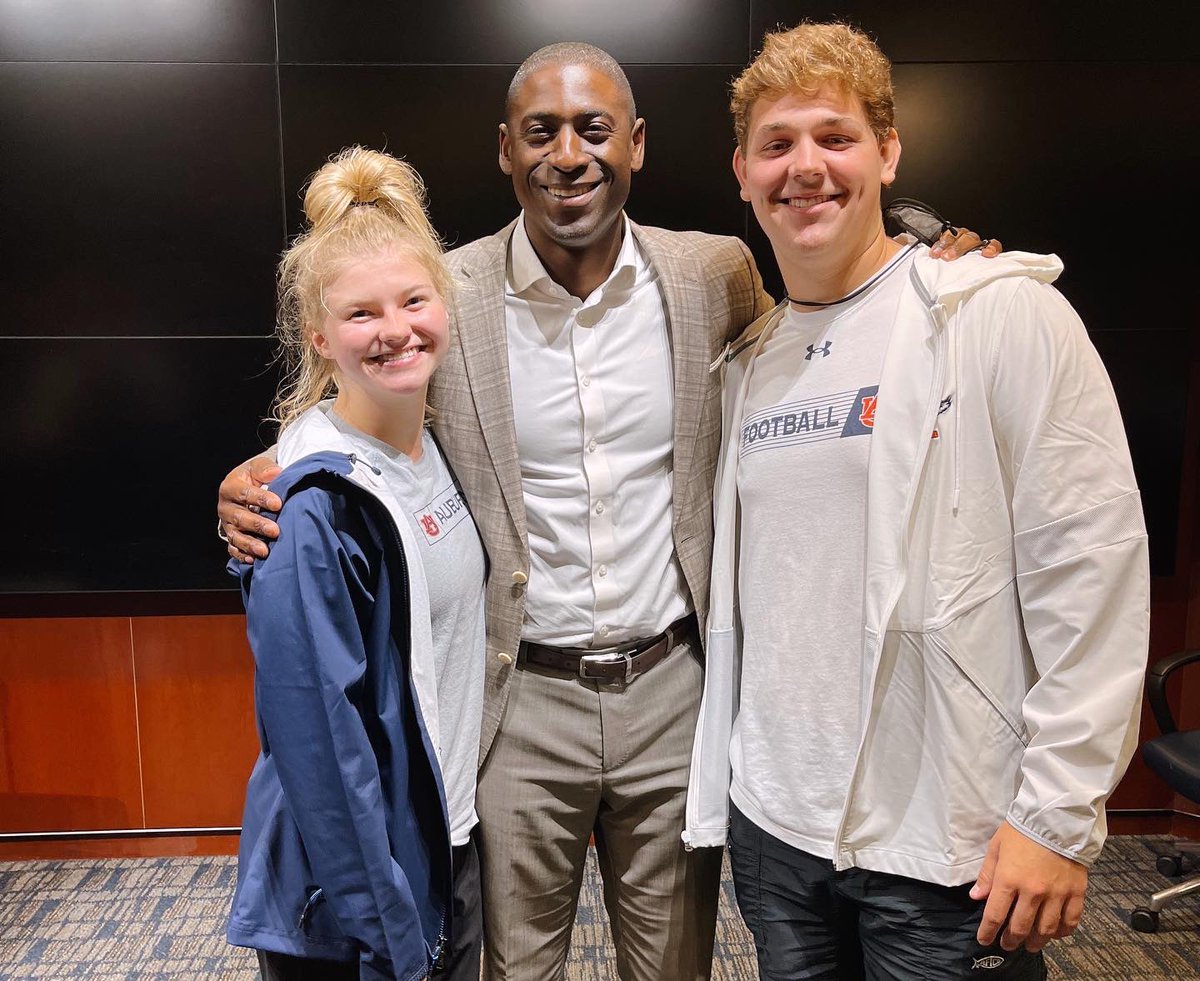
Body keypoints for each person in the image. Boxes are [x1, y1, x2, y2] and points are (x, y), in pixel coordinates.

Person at [218, 43, 993, 981]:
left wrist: (929, 246)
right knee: (513, 967)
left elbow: (830, 320)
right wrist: (268, 473)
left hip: (674, 687)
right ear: (506, 151)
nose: (569, 154)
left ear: (635, 144)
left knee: (673, 965)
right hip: (518, 698)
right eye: (540, 131)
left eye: (593, 129)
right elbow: (368, 393)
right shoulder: (445, 293)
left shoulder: (716, 273)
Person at [684, 21, 1149, 980]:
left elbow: (1091, 565)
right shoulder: (750, 364)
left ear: (888, 152)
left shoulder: (998, 310)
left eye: (835, 137)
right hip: (777, 829)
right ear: (741, 171)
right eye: (777, 145)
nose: (805, 167)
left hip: (947, 839)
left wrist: (1058, 816)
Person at [227, 146, 485, 981]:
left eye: (413, 299)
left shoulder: (435, 445)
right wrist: (386, 928)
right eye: (362, 314)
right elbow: (319, 744)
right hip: (364, 895)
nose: (396, 329)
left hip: (443, 842)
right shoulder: (309, 505)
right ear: (321, 337)